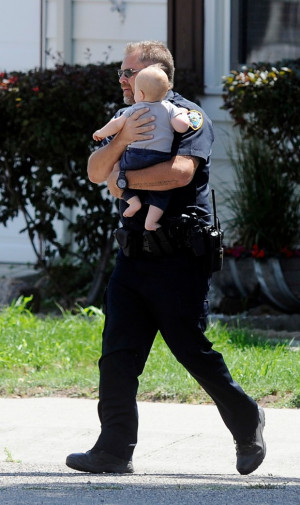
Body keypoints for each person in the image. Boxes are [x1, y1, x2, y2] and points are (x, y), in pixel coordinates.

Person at [66, 40, 266, 476]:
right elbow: (95, 171)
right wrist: (120, 146)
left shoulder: (188, 117)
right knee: (117, 355)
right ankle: (114, 450)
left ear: (156, 73)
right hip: (133, 257)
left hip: (178, 259)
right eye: (122, 73)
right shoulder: (130, 116)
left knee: (192, 351)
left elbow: (178, 173)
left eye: (128, 72)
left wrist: (122, 174)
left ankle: (247, 420)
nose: (122, 80)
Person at [93, 64, 189, 231]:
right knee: (162, 192)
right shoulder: (170, 108)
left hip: (134, 157)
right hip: (159, 159)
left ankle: (132, 201)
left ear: (141, 93)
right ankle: (151, 222)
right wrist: (184, 115)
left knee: (118, 175)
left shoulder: (135, 109)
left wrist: (101, 132)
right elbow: (181, 127)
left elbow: (116, 125)